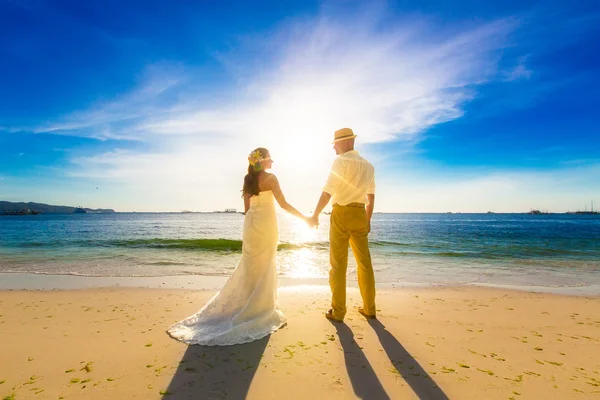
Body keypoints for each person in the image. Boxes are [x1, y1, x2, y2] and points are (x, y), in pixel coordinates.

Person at [168, 147, 313, 345]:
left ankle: (250, 303)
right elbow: (284, 204)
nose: (273, 162)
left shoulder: (248, 179)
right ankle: (262, 307)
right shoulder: (271, 179)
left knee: (251, 264)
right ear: (263, 160)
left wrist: (252, 219)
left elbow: (247, 209)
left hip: (252, 224)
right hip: (267, 224)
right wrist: (305, 218)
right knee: (266, 262)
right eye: (271, 159)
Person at [311, 128, 377, 322]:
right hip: (360, 213)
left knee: (338, 264)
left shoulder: (340, 162)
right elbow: (370, 197)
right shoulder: (369, 166)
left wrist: (315, 214)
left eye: (336, 143)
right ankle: (369, 308)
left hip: (341, 212)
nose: (333, 147)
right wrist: (368, 219)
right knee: (365, 264)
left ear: (347, 142)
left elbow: (328, 191)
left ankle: (338, 312)